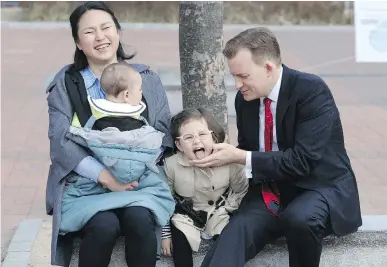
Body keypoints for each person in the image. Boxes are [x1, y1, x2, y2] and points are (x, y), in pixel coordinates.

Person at [191, 27, 362, 267]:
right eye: (234, 76)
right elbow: (249, 150)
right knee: (236, 231)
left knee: (300, 218)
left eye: (244, 76)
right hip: (271, 189)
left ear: (268, 68)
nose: (237, 84)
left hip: (318, 186)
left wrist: (240, 156)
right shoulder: (246, 99)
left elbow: (303, 161)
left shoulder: (311, 90)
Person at [45, 2, 174, 267]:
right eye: (90, 32)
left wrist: (133, 168)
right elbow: (61, 144)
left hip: (140, 181)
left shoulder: (146, 79)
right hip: (86, 186)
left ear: (118, 31)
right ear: (78, 42)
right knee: (103, 226)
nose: (100, 36)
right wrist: (107, 178)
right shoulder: (66, 85)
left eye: (106, 28)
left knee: (140, 220)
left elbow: (163, 133)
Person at [60, 61, 175, 238]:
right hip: (137, 185)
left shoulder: (92, 111)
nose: (142, 94)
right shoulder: (137, 116)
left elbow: (75, 135)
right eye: (140, 90)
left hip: (95, 187)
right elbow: (151, 145)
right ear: (127, 95)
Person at [160, 108, 248, 267]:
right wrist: (165, 235)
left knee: (228, 239)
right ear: (179, 145)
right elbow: (163, 200)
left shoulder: (228, 160)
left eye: (202, 134)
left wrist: (230, 208)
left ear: (212, 136)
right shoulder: (171, 165)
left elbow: (241, 190)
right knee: (178, 232)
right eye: (188, 137)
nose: (197, 141)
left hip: (220, 211)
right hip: (187, 215)